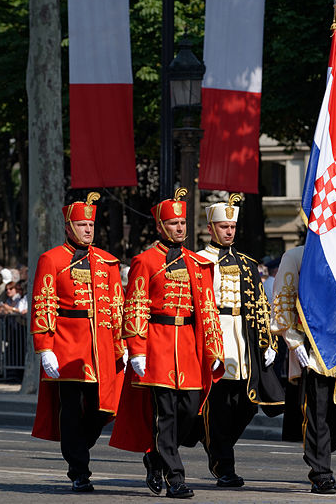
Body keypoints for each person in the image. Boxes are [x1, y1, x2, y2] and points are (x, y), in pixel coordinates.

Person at [109, 188, 224, 499]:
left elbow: (208, 308)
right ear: (160, 227)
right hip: (157, 344)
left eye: (183, 223)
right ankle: (176, 478)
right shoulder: (145, 261)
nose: (180, 228)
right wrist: (137, 349)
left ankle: (155, 456)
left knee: (189, 410)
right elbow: (135, 305)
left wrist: (214, 348)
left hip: (188, 344)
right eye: (173, 223)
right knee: (166, 414)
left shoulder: (197, 263)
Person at [29, 193, 126, 492]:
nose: (88, 230)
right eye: (81, 224)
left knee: (103, 408)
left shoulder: (107, 261)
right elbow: (43, 303)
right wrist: (45, 348)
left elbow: (117, 305)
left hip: (102, 347)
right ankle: (79, 470)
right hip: (68, 345)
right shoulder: (52, 258)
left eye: (91, 224)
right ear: (69, 227)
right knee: (70, 409)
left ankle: (79, 447)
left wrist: (122, 345)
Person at [270, 245, 336, 495]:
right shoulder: (296, 255)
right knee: (317, 414)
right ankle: (321, 473)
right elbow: (283, 297)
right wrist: (293, 340)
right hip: (313, 348)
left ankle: (324, 450)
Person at [196, 195, 284, 487]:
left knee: (247, 405)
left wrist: (269, 342)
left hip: (243, 339)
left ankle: (217, 446)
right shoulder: (198, 261)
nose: (229, 232)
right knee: (219, 405)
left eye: (232, 226)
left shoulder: (247, 262)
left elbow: (260, 303)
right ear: (211, 228)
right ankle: (224, 465)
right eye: (223, 226)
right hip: (216, 334)